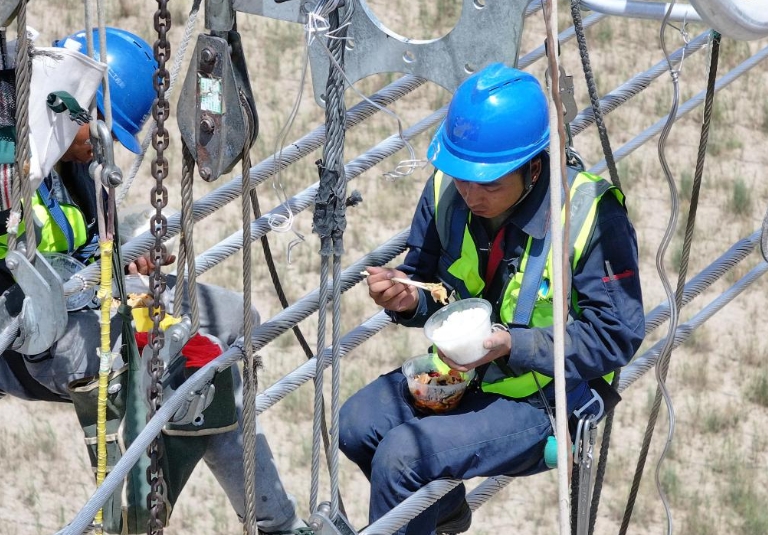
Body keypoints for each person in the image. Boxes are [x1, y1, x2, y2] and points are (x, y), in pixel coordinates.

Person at [0, 27, 307, 534]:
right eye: (99, 128)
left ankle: (264, 509)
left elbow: (84, 241)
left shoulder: (71, 162)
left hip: (86, 303)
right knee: (197, 369)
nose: (101, 148)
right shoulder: (12, 164)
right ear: (69, 106)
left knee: (235, 321)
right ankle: (157, 513)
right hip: (29, 341)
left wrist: (128, 250)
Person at [339, 63, 645, 535]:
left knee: (403, 459)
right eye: (462, 177)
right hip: (463, 376)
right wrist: (406, 299)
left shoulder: (590, 215)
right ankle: (443, 512)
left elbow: (616, 335)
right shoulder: (448, 189)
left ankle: (429, 508)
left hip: (546, 397)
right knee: (356, 425)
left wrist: (512, 345)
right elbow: (427, 281)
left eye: (489, 184)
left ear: (534, 168)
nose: (470, 194)